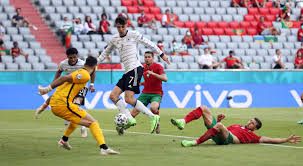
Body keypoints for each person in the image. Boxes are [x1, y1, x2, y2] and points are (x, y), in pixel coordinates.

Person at [97, 17, 170, 134]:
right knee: (113, 96)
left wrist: (161, 54)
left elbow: (149, 43)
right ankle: (129, 118)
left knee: (128, 98)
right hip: (127, 72)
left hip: (135, 69)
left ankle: (153, 117)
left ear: (127, 25)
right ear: (116, 27)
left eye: (123, 27)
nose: (120, 29)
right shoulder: (114, 39)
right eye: (118, 27)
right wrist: (93, 64)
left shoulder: (134, 34)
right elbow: (105, 53)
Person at [37, 56, 119, 155]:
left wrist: (43, 107)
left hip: (58, 103)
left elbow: (62, 86)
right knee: (93, 123)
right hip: (63, 104)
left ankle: (64, 140)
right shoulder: (84, 75)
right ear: (94, 67)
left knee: (75, 120)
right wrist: (47, 89)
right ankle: (104, 148)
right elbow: (63, 77)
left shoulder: (78, 72)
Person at [35, 48, 96, 138]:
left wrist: (91, 84)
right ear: (67, 57)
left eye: (74, 57)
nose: (72, 59)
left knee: (76, 105)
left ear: (77, 56)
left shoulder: (82, 64)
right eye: (70, 58)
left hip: (81, 86)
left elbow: (93, 70)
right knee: (54, 97)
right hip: (69, 85)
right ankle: (42, 108)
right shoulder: (63, 64)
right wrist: (54, 83)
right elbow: (59, 72)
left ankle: (83, 127)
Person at [170, 105, 301, 147]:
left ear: (254, 128)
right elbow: (224, 129)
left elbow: (269, 139)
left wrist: (285, 139)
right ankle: (183, 121)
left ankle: (195, 142)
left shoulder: (253, 136)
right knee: (204, 108)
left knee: (220, 125)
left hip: (227, 140)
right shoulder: (238, 125)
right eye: (250, 120)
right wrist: (220, 121)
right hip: (221, 132)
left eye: (252, 123)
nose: (249, 122)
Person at [130, 51, 167, 134]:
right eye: (145, 57)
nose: (147, 59)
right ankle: (123, 126)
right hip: (145, 93)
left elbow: (165, 79)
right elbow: (147, 80)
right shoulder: (143, 68)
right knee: (134, 111)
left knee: (153, 108)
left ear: (153, 58)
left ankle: (157, 123)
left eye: (149, 57)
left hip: (157, 93)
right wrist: (140, 84)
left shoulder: (158, 67)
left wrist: (153, 73)